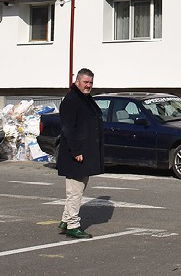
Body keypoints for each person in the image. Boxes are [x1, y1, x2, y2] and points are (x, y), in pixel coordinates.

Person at [56, 68, 104, 239]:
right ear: (77, 81)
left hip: (84, 152)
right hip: (75, 154)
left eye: (91, 82)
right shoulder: (71, 100)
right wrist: (76, 151)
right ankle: (73, 225)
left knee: (78, 188)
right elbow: (68, 129)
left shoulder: (84, 98)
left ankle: (65, 221)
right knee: (75, 191)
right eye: (85, 82)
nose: (88, 85)